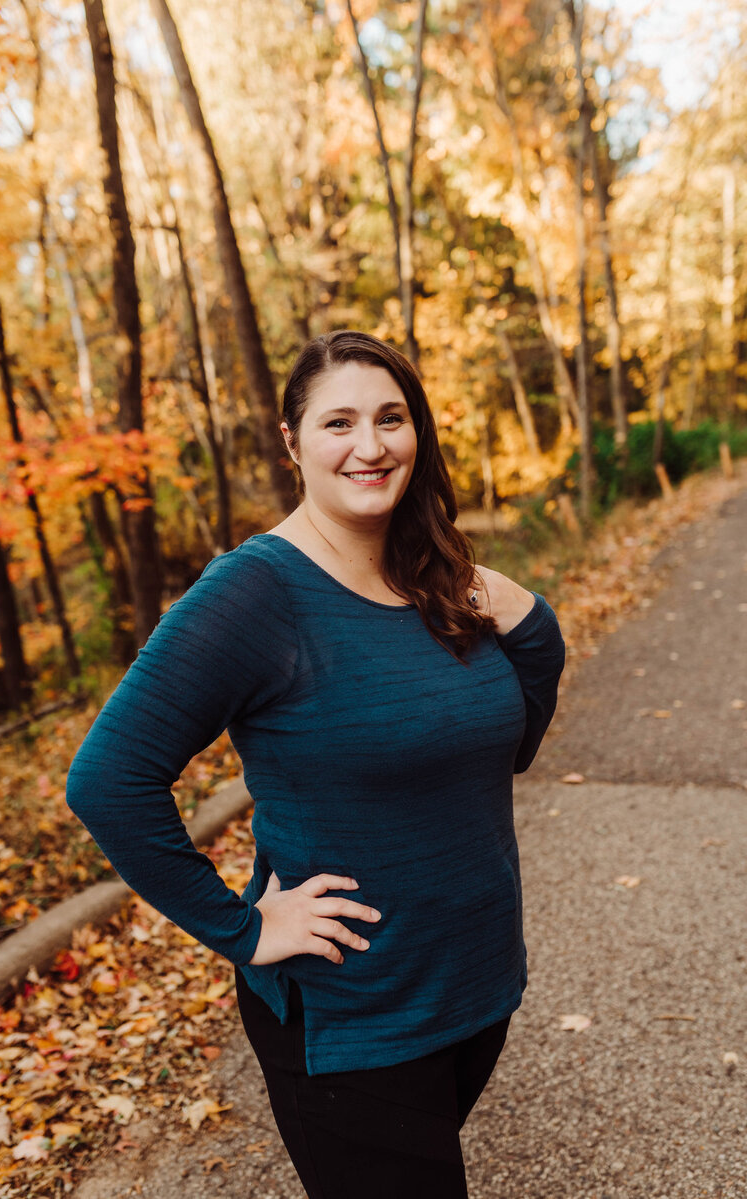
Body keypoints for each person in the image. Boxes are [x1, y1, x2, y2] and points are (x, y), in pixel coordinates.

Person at [66, 330, 565, 1198]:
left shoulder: (432, 582)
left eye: (391, 418)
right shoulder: (253, 592)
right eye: (339, 422)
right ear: (293, 442)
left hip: (473, 985)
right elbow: (107, 779)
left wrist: (528, 614)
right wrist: (246, 929)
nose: (370, 445)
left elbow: (509, 744)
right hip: (354, 1018)